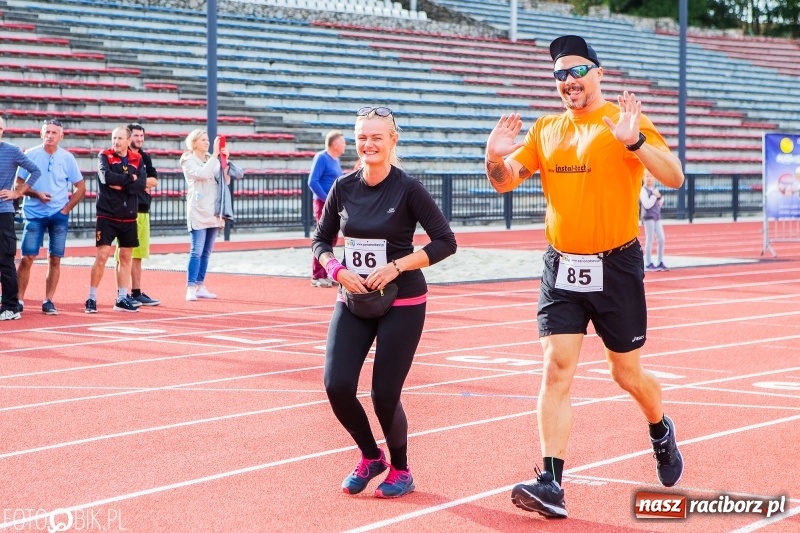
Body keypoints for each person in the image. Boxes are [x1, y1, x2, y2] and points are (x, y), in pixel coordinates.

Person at [484, 35, 685, 518]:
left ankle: (659, 427)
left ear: (598, 73)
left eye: (577, 71)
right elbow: (505, 180)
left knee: (625, 372)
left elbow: (674, 176)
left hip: (615, 265)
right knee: (556, 366)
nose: (568, 81)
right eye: (560, 74)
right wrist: (493, 157)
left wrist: (634, 141)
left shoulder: (622, 123)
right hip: (562, 265)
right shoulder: (545, 128)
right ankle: (551, 481)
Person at [311, 106, 457, 499]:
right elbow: (320, 241)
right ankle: (370, 455)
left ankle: (402, 469)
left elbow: (446, 242)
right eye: (362, 137)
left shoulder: (408, 188)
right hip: (354, 297)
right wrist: (336, 269)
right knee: (336, 385)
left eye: (377, 136)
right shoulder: (343, 187)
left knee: (383, 393)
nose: (368, 144)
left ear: (393, 140)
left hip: (402, 300)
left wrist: (396, 267)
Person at [15, 118, 85, 316]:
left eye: (54, 132)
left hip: (58, 215)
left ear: (61, 136)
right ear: (41, 134)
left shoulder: (68, 158)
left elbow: (81, 187)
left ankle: (48, 300)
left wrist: (66, 209)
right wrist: (36, 194)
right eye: (47, 132)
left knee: (55, 258)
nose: (50, 136)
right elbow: (18, 186)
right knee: (27, 257)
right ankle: (19, 300)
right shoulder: (31, 155)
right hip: (34, 214)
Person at [85, 126, 146, 313]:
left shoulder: (138, 158)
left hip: (128, 216)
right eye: (114, 138)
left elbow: (141, 184)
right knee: (102, 255)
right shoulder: (104, 155)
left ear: (129, 141)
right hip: (107, 214)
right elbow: (106, 177)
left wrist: (122, 183)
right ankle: (91, 298)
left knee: (126, 257)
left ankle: (121, 298)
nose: (116, 141)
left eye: (120, 138)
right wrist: (130, 179)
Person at [179, 129, 230, 301]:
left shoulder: (211, 159)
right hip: (198, 210)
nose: (207, 142)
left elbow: (225, 180)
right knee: (196, 251)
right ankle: (191, 287)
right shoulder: (188, 160)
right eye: (202, 140)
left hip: (213, 210)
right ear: (194, 142)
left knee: (207, 252)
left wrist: (225, 161)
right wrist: (215, 156)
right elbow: (202, 174)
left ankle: (200, 285)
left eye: (207, 139)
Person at [0, 116, 41, 321]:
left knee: (5, 260)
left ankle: (10, 307)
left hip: (3, 212)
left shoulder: (11, 150)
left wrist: (18, 193)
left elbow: (35, 170)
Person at [114, 123, 160, 306]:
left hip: (142, 209)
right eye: (136, 136)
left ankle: (136, 292)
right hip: (124, 209)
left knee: (138, 254)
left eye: (142, 136)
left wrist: (135, 182)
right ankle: (121, 294)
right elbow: (119, 182)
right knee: (123, 255)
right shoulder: (118, 157)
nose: (139, 139)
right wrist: (141, 183)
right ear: (127, 137)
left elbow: (154, 181)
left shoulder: (145, 157)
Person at [308, 130, 346, 288]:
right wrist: (327, 199)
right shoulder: (322, 157)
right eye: (343, 142)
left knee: (332, 239)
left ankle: (327, 271)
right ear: (335, 144)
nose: (345, 146)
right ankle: (317, 275)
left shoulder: (335, 160)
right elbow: (312, 182)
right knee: (324, 238)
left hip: (333, 204)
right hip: (323, 204)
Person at [640, 170, 668, 272]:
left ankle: (660, 261)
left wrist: (659, 197)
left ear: (654, 178)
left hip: (656, 216)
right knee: (650, 238)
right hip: (648, 217)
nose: (649, 178)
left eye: (651, 176)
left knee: (661, 239)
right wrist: (653, 196)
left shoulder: (655, 189)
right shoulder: (643, 190)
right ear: (643, 178)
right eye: (647, 176)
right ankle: (648, 262)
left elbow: (660, 202)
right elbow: (647, 204)